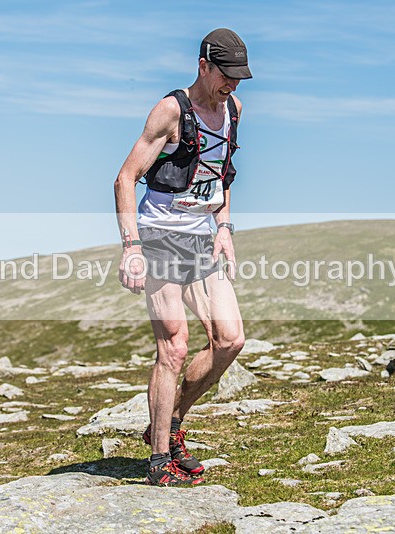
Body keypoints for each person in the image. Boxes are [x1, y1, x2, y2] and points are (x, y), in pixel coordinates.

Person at [114, 28, 251, 486]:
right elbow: (125, 178)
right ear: (203, 66)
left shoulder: (234, 110)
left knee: (230, 339)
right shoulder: (172, 110)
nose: (232, 84)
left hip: (200, 237)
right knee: (174, 345)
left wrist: (224, 227)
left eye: (239, 77)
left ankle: (168, 424)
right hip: (158, 235)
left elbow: (223, 173)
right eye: (225, 75)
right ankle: (156, 463)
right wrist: (132, 247)